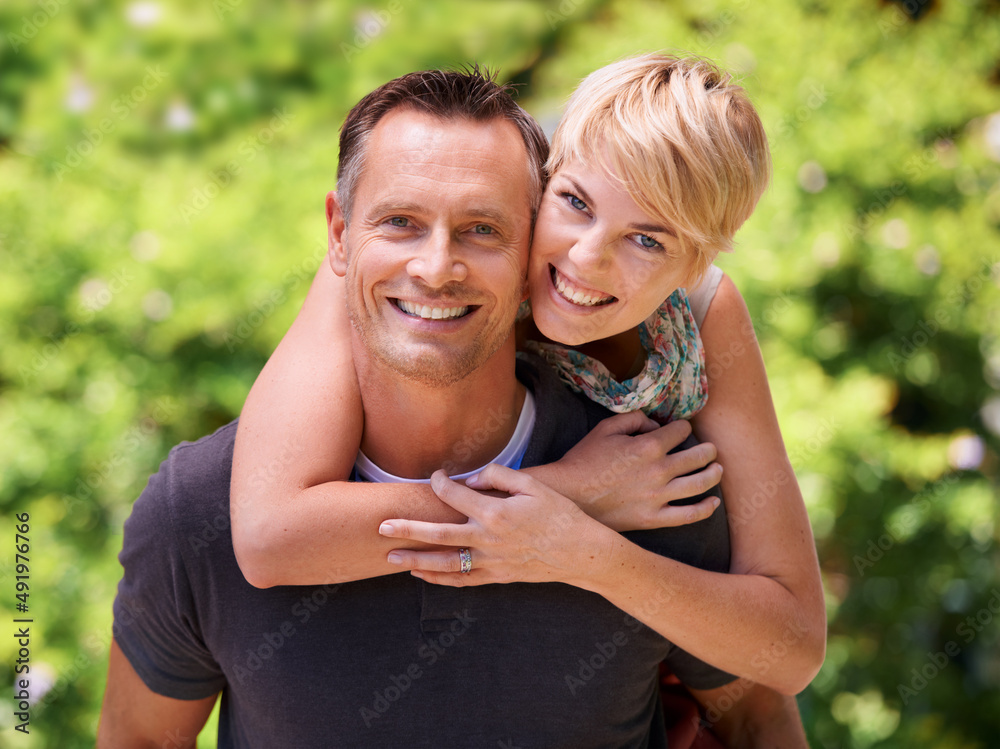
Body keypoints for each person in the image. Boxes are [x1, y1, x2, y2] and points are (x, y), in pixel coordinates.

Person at [99, 68, 808, 747]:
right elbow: (268, 534)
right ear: (341, 233)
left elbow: (782, 662)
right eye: (576, 205)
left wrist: (588, 552)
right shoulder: (200, 503)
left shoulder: (660, 457)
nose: (588, 259)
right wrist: (571, 497)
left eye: (647, 239)